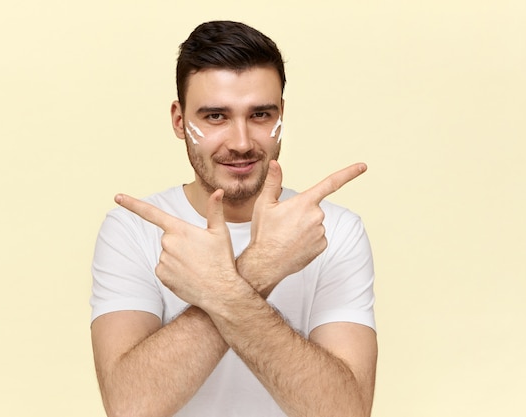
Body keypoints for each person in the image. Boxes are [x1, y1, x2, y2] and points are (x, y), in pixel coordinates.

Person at [90, 20, 377, 417]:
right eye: (215, 117)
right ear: (178, 120)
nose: (241, 142)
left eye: (260, 114)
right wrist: (263, 266)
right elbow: (130, 407)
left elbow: (346, 413)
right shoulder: (133, 231)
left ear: (281, 116)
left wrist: (222, 287)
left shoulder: (333, 230)